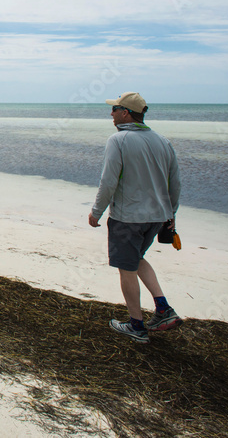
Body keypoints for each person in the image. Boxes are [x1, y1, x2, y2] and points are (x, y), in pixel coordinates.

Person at [87, 92, 183, 343]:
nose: (111, 113)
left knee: (126, 268)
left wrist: (96, 211)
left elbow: (108, 180)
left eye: (115, 109)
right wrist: (171, 213)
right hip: (157, 217)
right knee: (136, 258)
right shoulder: (163, 141)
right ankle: (163, 310)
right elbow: (175, 182)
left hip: (128, 217)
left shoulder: (118, 140)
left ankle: (136, 325)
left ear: (126, 113)